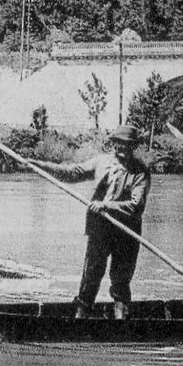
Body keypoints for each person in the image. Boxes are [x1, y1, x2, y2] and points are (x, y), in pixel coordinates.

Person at [31, 125, 151, 321]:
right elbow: (72, 173)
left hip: (126, 231)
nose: (123, 148)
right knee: (91, 273)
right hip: (100, 229)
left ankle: (121, 317)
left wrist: (106, 206)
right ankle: (81, 314)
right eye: (119, 144)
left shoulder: (140, 172)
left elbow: (136, 205)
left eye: (128, 145)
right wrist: (39, 165)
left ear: (133, 147)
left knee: (121, 277)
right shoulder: (101, 162)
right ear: (113, 144)